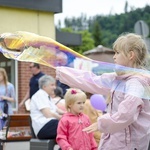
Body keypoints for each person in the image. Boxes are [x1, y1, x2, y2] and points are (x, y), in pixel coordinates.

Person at [56, 33, 150, 150]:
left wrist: (101, 124)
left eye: (117, 52)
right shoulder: (117, 79)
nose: (114, 57)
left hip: (128, 145)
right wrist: (61, 72)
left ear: (131, 55)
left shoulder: (135, 84)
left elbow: (126, 114)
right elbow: (91, 80)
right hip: (114, 141)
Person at [30, 75, 64, 139]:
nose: (55, 87)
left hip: (49, 125)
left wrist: (69, 114)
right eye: (52, 85)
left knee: (72, 126)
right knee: (70, 126)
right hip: (44, 127)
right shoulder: (40, 95)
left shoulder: (47, 96)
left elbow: (58, 110)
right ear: (44, 86)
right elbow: (48, 114)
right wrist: (63, 119)